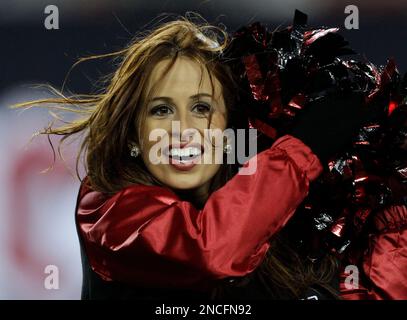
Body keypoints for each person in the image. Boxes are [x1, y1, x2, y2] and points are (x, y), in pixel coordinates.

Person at [13, 15, 368, 300]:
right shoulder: (106, 207)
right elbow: (210, 249)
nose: (183, 129)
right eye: (161, 110)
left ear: (231, 129)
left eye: (201, 108)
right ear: (134, 134)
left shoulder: (278, 212)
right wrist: (302, 149)